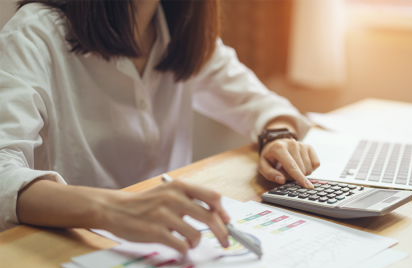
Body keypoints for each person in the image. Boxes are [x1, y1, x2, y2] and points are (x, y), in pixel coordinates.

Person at [0, 0, 320, 253]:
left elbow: (263, 105)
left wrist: (277, 137)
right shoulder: (33, 34)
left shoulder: (180, 31)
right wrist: (114, 209)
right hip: (65, 251)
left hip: (170, 248)